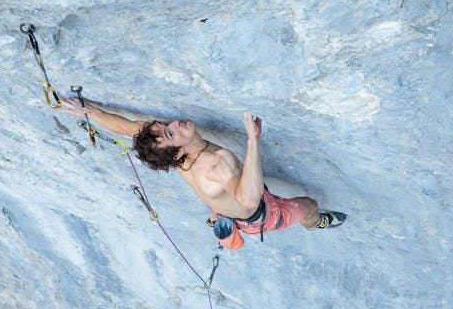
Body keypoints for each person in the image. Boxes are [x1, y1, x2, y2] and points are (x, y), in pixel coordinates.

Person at [61, 98, 346, 249]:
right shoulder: (214, 164)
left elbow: (127, 127)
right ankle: (315, 223)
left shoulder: (171, 152)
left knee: (221, 206)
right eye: (172, 132)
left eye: (165, 125)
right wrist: (252, 139)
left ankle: (219, 220)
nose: (176, 123)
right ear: (177, 152)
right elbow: (249, 200)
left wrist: (88, 111)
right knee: (308, 205)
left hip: (227, 204)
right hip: (260, 214)